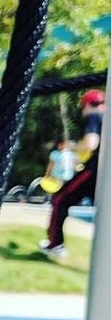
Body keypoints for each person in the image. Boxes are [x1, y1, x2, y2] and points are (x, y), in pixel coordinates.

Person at [40, 89, 103, 259]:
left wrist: (72, 147)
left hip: (95, 171)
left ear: (88, 105)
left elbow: (91, 143)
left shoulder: (95, 116)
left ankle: (55, 245)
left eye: (83, 107)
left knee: (60, 199)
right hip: (104, 173)